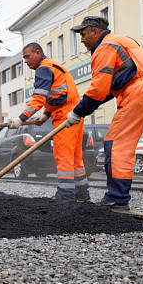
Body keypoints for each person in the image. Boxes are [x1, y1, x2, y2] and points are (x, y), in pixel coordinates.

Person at [67, 16, 143, 216]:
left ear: (95, 32)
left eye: (83, 34)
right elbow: (109, 89)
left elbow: (97, 90)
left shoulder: (105, 47)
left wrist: (78, 112)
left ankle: (117, 199)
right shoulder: (128, 42)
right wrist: (82, 109)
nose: (82, 39)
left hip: (139, 91)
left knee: (117, 144)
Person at [9, 42, 90, 202]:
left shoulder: (43, 69)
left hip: (65, 115)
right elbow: (56, 94)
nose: (25, 61)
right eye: (24, 57)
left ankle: (65, 197)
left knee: (63, 156)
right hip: (74, 113)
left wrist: (21, 119)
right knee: (75, 158)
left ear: (37, 53)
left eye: (27, 56)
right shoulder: (53, 65)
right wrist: (46, 114)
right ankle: (82, 195)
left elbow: (38, 98)